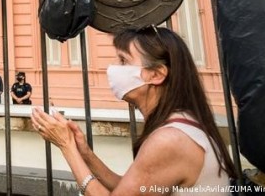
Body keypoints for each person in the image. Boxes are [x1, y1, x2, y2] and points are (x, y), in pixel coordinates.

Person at [31, 27, 237, 195]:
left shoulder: (169, 140)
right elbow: (133, 187)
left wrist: (66, 146)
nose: (113, 69)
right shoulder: (180, 123)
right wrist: (85, 154)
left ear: (156, 75)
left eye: (123, 61)